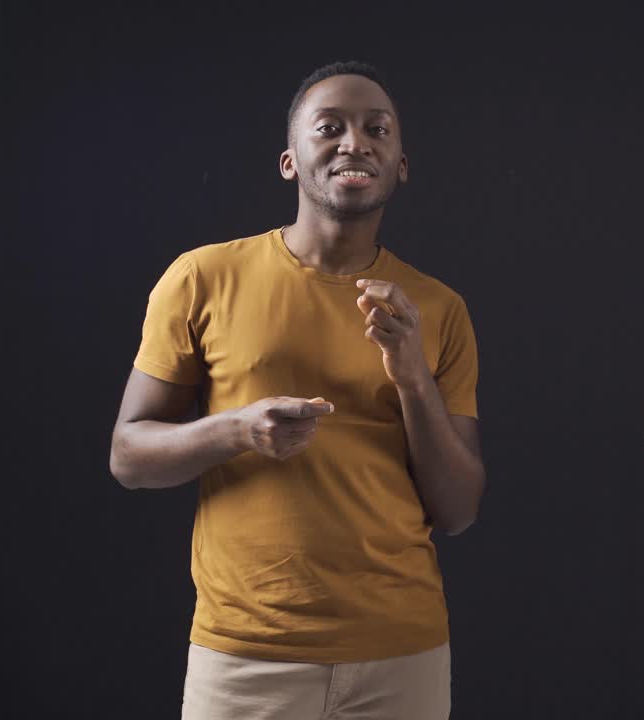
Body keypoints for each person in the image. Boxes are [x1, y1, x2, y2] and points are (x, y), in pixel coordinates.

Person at [108, 61, 484, 720]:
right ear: (290, 161)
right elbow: (129, 457)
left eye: (377, 130)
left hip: (401, 652)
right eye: (329, 127)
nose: (354, 143)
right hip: (245, 654)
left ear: (400, 165)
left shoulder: (437, 308)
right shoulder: (203, 277)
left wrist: (412, 374)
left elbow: (457, 508)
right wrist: (239, 430)